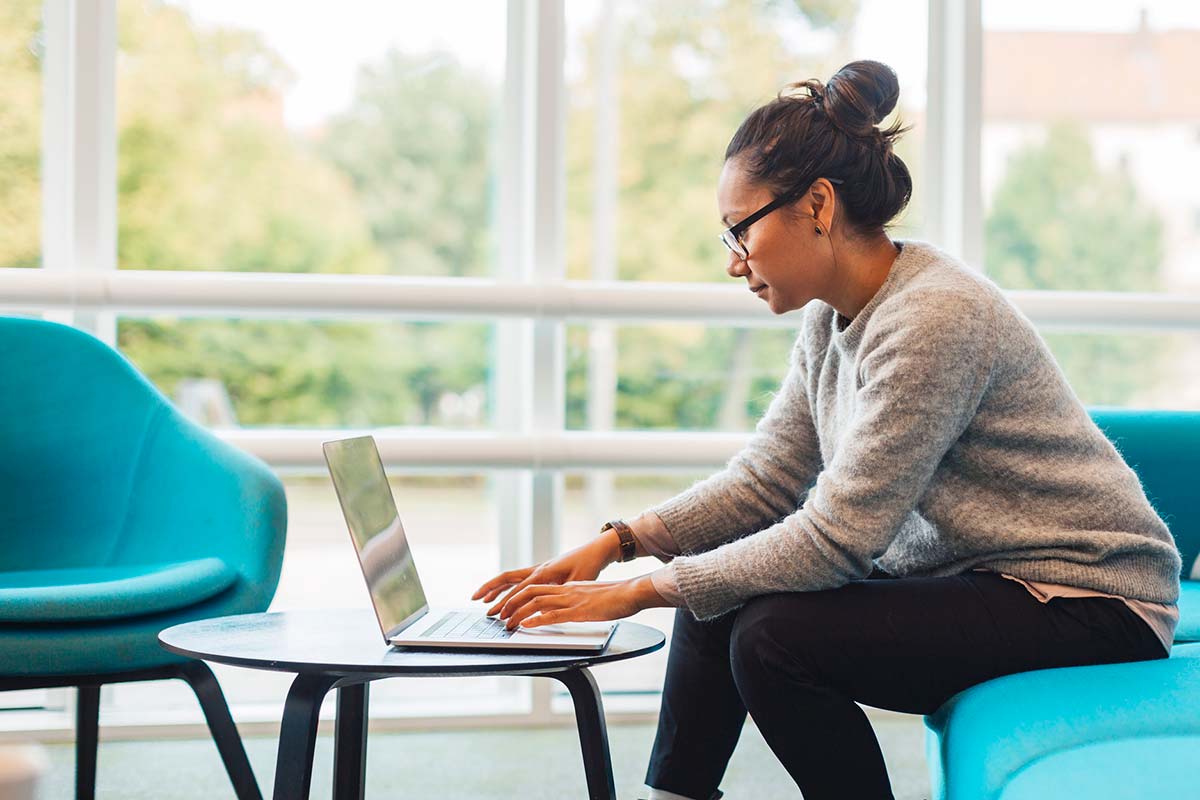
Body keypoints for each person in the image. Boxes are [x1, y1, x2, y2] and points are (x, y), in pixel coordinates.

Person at [470, 60, 1181, 800]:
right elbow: (766, 480)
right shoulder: (831, 318)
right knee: (720, 585)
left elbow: (837, 539)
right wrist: (615, 544)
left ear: (817, 204)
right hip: (982, 577)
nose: (734, 263)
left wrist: (637, 593)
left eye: (739, 231)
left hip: (1087, 600)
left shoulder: (935, 318)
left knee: (771, 638)